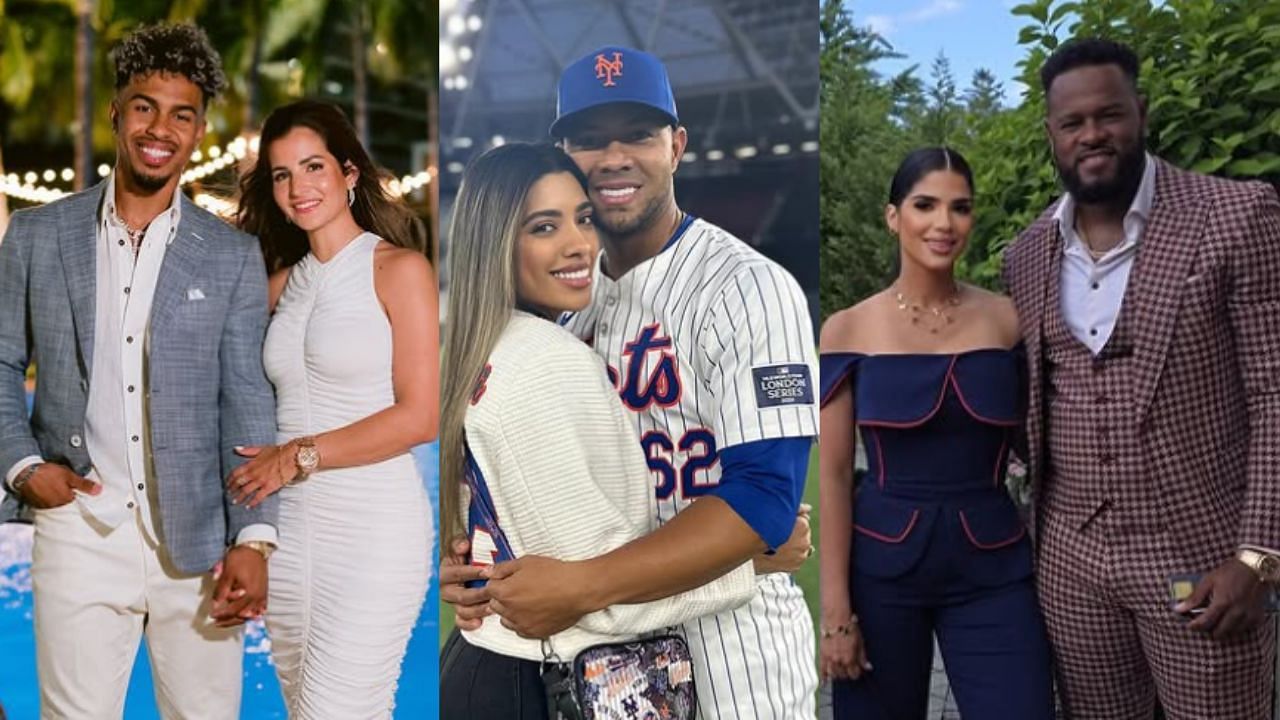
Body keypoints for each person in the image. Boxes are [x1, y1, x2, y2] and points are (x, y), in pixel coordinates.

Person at [442, 46, 820, 718]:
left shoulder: (751, 288)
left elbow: (763, 497)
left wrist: (585, 584)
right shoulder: (557, 307)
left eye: (639, 134)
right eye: (589, 139)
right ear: (562, 155)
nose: (614, 156)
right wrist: (475, 565)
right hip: (597, 654)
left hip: (732, 644)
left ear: (676, 145)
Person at [0, 23, 276, 717]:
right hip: (79, 532)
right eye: (145, 106)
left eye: (182, 114)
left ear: (199, 129)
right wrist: (23, 468)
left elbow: (244, 401)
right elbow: (2, 360)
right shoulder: (37, 236)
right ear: (116, 113)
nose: (161, 128)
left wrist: (254, 539)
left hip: (200, 545)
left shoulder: (231, 255)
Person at [1002, 37, 1280, 719]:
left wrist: (1260, 559)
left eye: (1110, 115)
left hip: (1203, 560)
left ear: (1142, 114)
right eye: (1072, 123)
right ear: (1051, 134)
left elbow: (1275, 395)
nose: (1092, 135)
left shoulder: (1236, 216)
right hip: (1071, 561)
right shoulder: (1028, 252)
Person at [818, 147, 1055, 719]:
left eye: (960, 207)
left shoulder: (1008, 319)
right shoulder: (848, 327)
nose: (943, 224)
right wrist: (836, 615)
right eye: (925, 205)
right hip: (882, 575)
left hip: (994, 570)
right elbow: (830, 476)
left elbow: (1043, 439)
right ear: (893, 216)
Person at [232, 99, 438, 718]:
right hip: (289, 535)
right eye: (282, 174)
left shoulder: (399, 270)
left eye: (314, 167)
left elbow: (420, 415)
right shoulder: (275, 287)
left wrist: (298, 455)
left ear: (349, 174)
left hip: (374, 527)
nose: (299, 188)